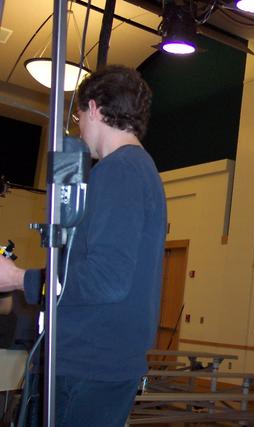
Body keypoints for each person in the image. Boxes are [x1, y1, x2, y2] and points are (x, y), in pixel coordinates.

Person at [0, 65, 167, 427]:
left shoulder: (118, 171)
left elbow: (106, 280)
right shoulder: (140, 170)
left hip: (86, 367)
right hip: (101, 365)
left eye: (78, 118)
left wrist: (18, 278)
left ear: (93, 108)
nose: (79, 128)